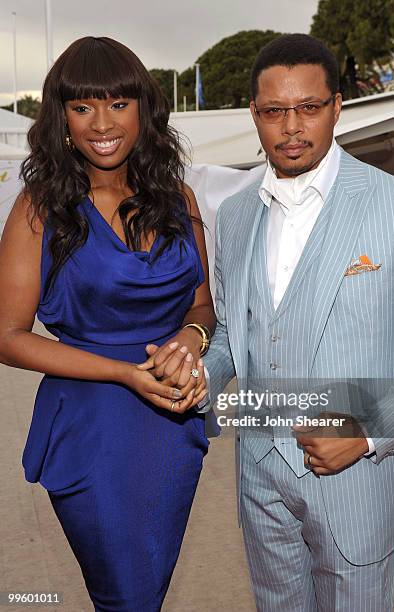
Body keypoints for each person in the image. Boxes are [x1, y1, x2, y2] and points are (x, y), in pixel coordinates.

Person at [200, 34, 394, 611]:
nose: (292, 126)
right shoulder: (236, 215)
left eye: (309, 108)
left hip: (358, 478)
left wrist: (366, 432)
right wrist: (202, 374)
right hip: (259, 469)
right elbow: (234, 334)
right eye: (274, 112)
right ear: (255, 116)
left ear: (337, 107)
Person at [0, 37, 215, 611]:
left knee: (151, 587)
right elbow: (7, 335)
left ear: (145, 109)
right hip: (93, 428)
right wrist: (123, 373)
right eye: (82, 106)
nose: (102, 122)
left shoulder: (177, 199)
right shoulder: (39, 207)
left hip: (172, 428)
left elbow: (201, 307)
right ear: (61, 118)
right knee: (126, 594)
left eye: (119, 104)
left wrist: (190, 340)